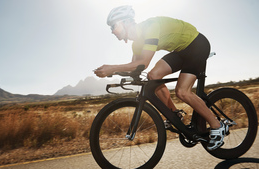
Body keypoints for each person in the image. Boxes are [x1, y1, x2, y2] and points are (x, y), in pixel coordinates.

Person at [94, 5, 228, 151]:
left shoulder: (150, 27)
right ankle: (175, 115)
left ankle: (218, 126)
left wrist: (112, 67)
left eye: (114, 26)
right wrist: (113, 72)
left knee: (182, 92)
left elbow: (142, 63)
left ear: (126, 22)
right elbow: (135, 69)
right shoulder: (136, 45)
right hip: (181, 51)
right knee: (153, 76)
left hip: (196, 44)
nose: (112, 31)